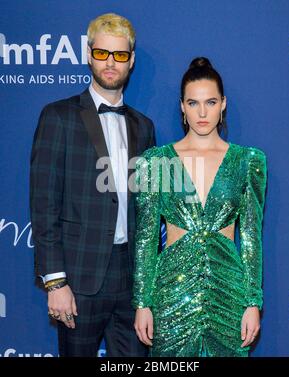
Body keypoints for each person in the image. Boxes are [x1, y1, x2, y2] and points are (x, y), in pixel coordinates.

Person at [30, 13, 155, 357]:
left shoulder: (144, 127)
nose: (110, 63)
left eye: (119, 55)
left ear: (130, 60)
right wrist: (55, 281)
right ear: (89, 54)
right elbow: (44, 204)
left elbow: (146, 210)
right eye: (102, 53)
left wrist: (147, 287)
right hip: (78, 278)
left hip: (130, 281)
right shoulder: (58, 116)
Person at [132, 57, 267, 357]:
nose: (202, 112)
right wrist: (142, 302)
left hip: (228, 293)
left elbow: (251, 238)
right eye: (193, 103)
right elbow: (146, 236)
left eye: (211, 102)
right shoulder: (156, 162)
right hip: (171, 294)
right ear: (182, 106)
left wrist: (252, 302)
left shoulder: (248, 162)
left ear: (223, 104)